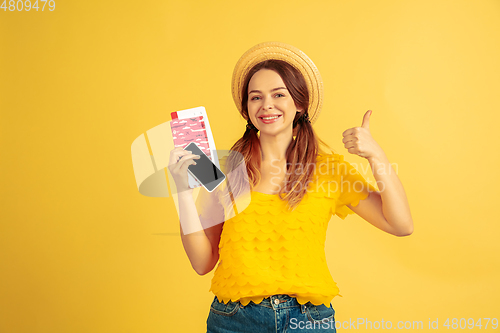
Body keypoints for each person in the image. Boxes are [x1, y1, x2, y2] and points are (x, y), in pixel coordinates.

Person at [168, 42, 413, 333]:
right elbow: (201, 262)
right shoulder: (225, 171)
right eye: (255, 97)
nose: (266, 105)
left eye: (278, 94)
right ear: (247, 109)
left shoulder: (328, 170)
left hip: (308, 322)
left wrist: (376, 155)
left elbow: (401, 225)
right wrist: (182, 192)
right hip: (234, 321)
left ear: (299, 104)